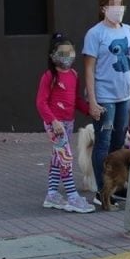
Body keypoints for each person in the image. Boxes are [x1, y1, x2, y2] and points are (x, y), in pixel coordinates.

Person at [83, 0, 130, 202]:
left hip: (124, 95)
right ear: (104, 8)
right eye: (114, 4)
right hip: (104, 97)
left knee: (118, 143)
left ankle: (116, 184)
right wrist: (93, 101)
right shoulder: (95, 33)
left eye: (121, 4)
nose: (118, 9)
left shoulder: (128, 31)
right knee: (103, 143)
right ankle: (101, 190)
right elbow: (89, 68)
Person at [36, 33, 96, 213]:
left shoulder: (73, 75)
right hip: (56, 125)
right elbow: (41, 102)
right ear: (53, 56)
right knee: (66, 158)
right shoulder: (49, 77)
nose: (67, 56)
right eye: (62, 53)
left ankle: (52, 194)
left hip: (68, 123)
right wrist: (53, 121)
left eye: (70, 52)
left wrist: (89, 110)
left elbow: (76, 100)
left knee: (57, 158)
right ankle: (72, 196)